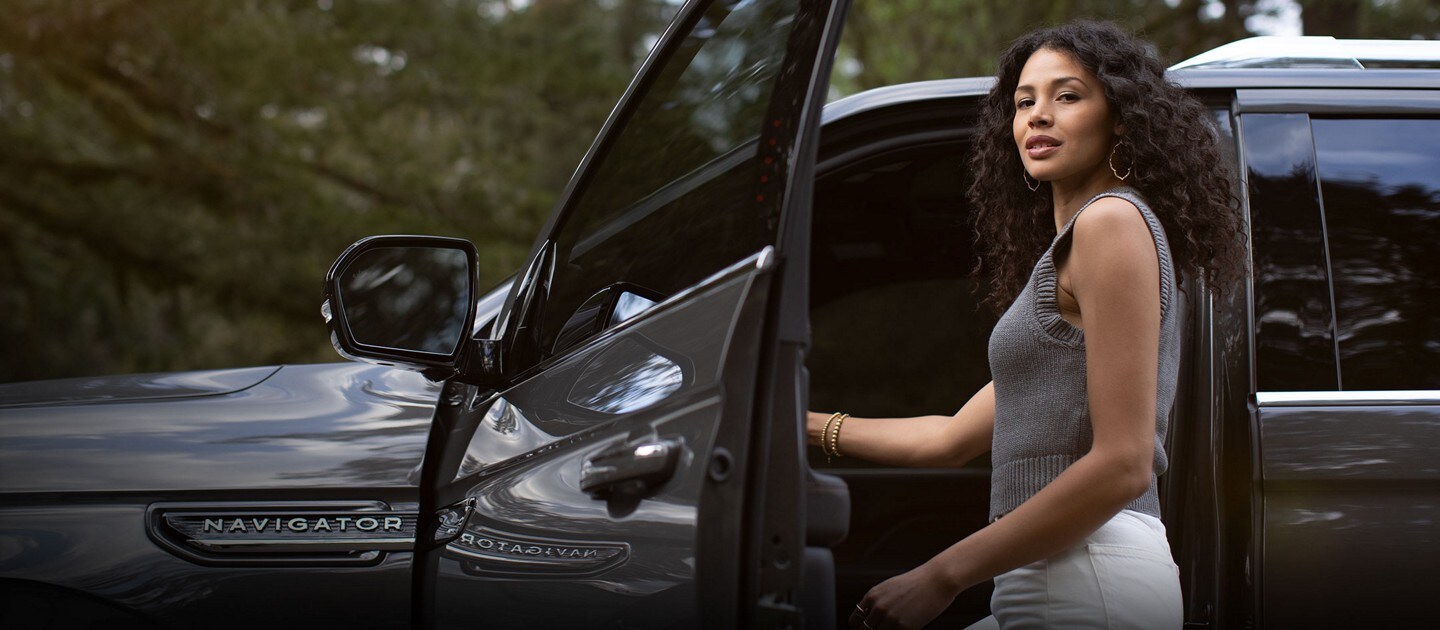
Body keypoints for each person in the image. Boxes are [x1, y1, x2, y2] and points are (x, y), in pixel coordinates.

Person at [808, 20, 1245, 630]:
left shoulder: (1110, 223)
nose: (1038, 115)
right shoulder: (1078, 247)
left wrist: (938, 576)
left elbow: (1126, 462)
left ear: (1120, 117)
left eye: (1067, 96)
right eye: (1024, 101)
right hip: (1058, 576)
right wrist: (800, 424)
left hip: (1088, 576)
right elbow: (951, 439)